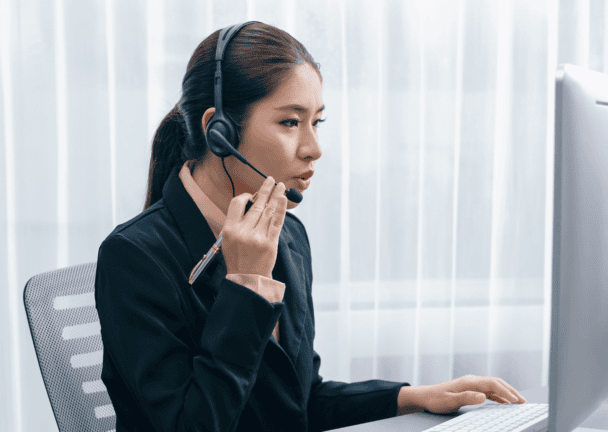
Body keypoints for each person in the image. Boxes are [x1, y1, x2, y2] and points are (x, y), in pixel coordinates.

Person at [94, 21, 526, 432]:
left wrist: (412, 397)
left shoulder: (288, 237)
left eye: (316, 122)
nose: (314, 148)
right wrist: (246, 286)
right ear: (218, 131)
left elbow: (299, 403)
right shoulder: (134, 258)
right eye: (290, 122)